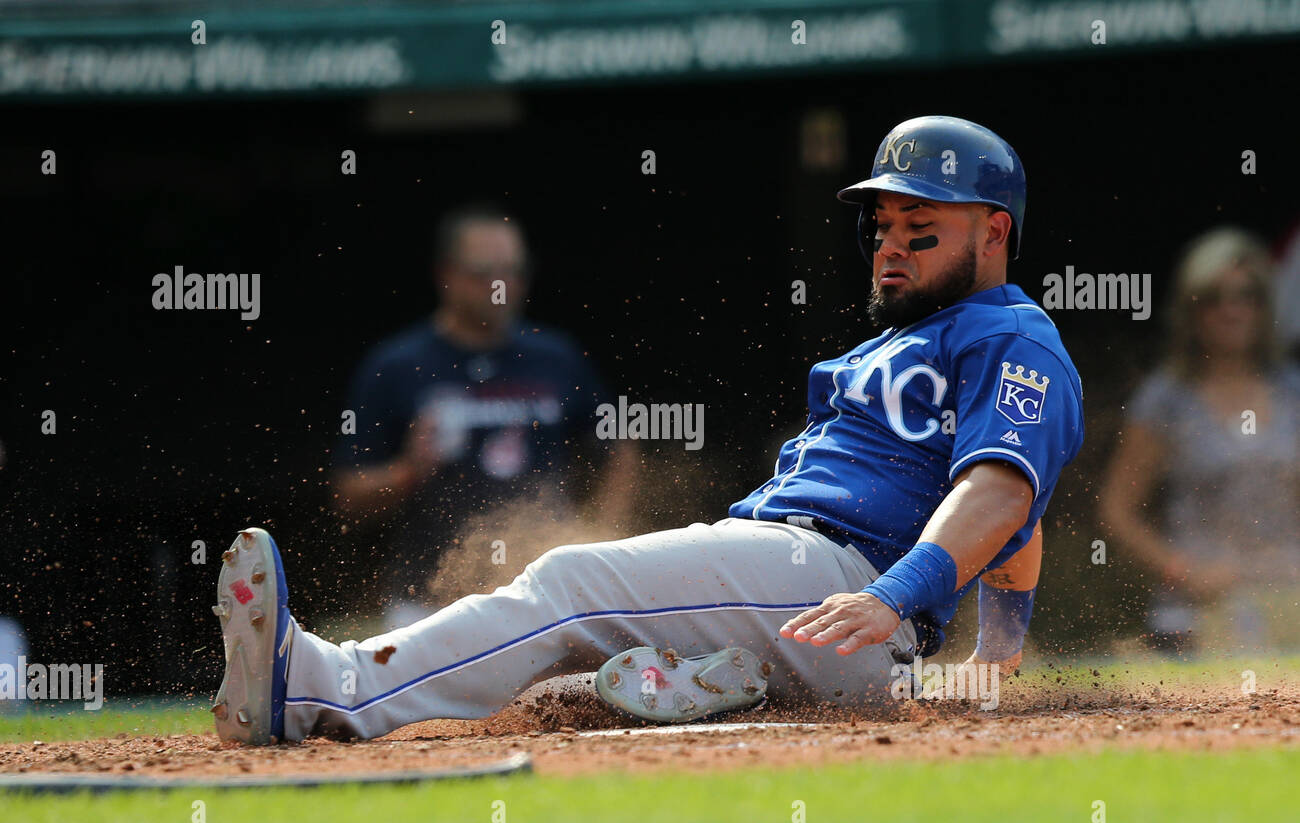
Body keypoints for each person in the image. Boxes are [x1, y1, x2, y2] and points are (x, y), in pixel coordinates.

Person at [210, 116, 1084, 745]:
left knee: (571, 583)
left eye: (920, 228)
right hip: (817, 604)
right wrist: (992, 660)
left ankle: (329, 687)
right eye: (881, 226)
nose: (892, 245)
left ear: (996, 231)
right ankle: (709, 692)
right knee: (564, 680)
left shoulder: (1008, 333)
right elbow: (1012, 514)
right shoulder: (901, 341)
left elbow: (1002, 490)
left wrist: (898, 600)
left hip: (836, 585)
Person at [333, 207, 634, 624]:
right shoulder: (396, 365)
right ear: (446, 274)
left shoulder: (557, 357)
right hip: (429, 602)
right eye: (483, 272)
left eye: (514, 272)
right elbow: (348, 497)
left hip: (546, 597)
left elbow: (618, 450)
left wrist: (601, 535)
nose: (501, 286)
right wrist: (407, 471)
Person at [1100, 228, 1300, 655]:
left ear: (1266, 306)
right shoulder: (1166, 399)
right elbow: (1117, 511)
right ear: (1191, 309)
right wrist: (1182, 570)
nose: (1232, 311)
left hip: (1288, 598)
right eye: (1214, 298)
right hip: (1193, 614)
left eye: (1247, 296)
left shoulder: (1293, 392)